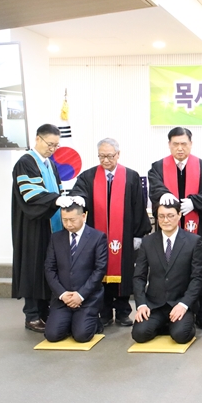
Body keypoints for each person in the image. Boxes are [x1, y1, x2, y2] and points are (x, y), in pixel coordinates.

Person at [71, 138, 151, 328]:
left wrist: (138, 234)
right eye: (101, 156)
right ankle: (104, 312)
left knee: (124, 273)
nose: (105, 160)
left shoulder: (130, 176)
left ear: (118, 154)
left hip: (124, 236)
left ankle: (123, 312)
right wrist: (78, 198)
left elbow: (138, 206)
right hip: (96, 237)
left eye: (109, 156)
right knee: (99, 272)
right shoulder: (88, 177)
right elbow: (79, 195)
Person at [11, 124, 83, 332]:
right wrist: (55, 200)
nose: (52, 149)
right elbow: (30, 193)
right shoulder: (26, 162)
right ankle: (32, 315)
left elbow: (58, 190)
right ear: (38, 139)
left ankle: (44, 311)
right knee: (33, 267)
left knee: (48, 268)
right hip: (33, 226)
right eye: (49, 144)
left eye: (56, 145)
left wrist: (66, 199)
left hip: (51, 225)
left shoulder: (50, 164)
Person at [148, 127, 202, 330]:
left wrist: (194, 202)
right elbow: (155, 188)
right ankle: (167, 309)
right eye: (175, 144)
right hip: (168, 229)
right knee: (168, 266)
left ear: (191, 144)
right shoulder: (158, 167)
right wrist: (164, 195)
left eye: (184, 144)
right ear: (169, 144)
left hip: (196, 229)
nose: (180, 148)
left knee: (199, 267)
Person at [131, 202, 202, 344]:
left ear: (179, 215)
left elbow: (197, 278)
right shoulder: (148, 242)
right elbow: (139, 277)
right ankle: (163, 324)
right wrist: (141, 305)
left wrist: (184, 304)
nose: (166, 220)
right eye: (161, 216)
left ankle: (184, 322)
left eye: (170, 216)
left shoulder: (193, 241)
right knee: (139, 335)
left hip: (179, 302)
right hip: (155, 304)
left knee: (181, 335)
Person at [44, 202, 107, 343]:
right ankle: (69, 322)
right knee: (52, 335)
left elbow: (99, 270)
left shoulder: (97, 237)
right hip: (63, 298)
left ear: (83, 216)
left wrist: (81, 295)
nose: (68, 224)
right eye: (64, 220)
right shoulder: (56, 238)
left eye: (72, 220)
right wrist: (62, 294)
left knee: (81, 336)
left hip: (87, 298)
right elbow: (49, 268)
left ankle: (93, 322)